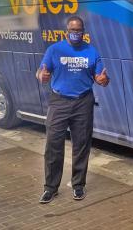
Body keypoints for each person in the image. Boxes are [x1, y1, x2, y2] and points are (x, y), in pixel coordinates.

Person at [37, 15, 109, 204]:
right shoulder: (55, 49)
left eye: (79, 30)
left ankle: (78, 185)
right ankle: (50, 188)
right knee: (53, 145)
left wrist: (103, 80)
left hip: (83, 101)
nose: (76, 33)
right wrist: (42, 76)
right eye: (73, 30)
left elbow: (101, 78)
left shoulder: (91, 51)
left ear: (84, 32)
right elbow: (42, 71)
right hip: (59, 101)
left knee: (81, 144)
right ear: (66, 31)